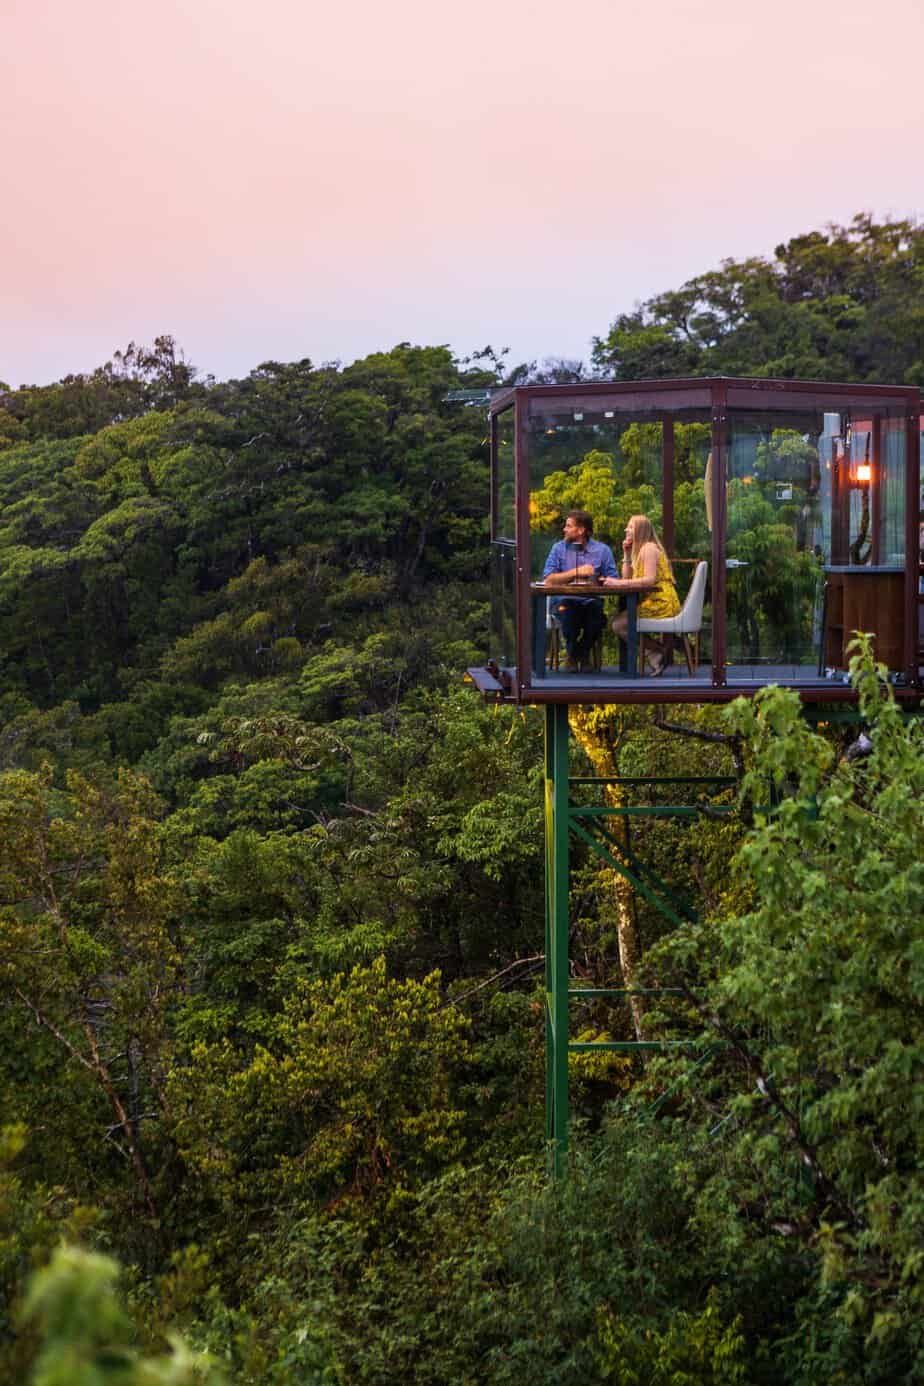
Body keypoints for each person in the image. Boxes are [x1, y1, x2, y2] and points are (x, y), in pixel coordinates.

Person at [602, 514, 680, 676]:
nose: (626, 529)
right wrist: (626, 555)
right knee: (619, 622)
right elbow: (626, 578)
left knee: (620, 624)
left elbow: (650, 580)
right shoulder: (641, 550)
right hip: (652, 599)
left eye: (630, 527)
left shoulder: (649, 549)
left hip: (661, 601)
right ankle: (655, 653)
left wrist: (617, 584)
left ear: (640, 530)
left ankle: (655, 651)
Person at [541, 510, 618, 671]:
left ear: (581, 530)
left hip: (590, 600)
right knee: (568, 614)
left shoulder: (602, 551)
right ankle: (580, 656)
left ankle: (576, 654)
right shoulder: (558, 549)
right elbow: (548, 579)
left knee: (597, 618)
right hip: (564, 601)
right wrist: (576, 572)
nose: (564, 529)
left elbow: (613, 579)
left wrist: (599, 580)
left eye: (568, 526)